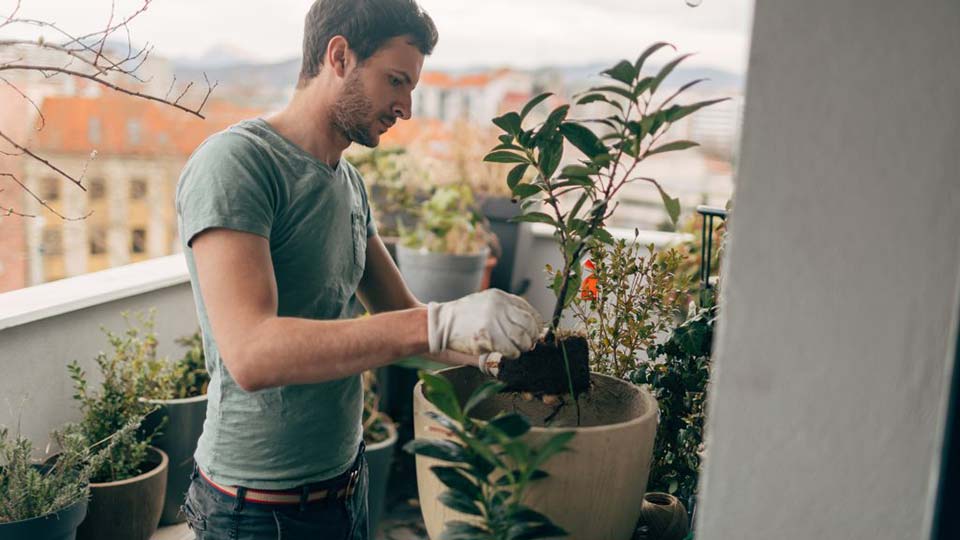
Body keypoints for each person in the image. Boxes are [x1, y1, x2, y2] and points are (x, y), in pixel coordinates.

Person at [174, 0, 542, 538]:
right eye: (396, 80)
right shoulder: (238, 164)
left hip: (346, 486)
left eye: (412, 86)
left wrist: (500, 353)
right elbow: (251, 353)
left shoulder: (348, 184)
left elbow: (404, 319)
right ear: (339, 55)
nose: (406, 107)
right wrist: (440, 321)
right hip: (253, 510)